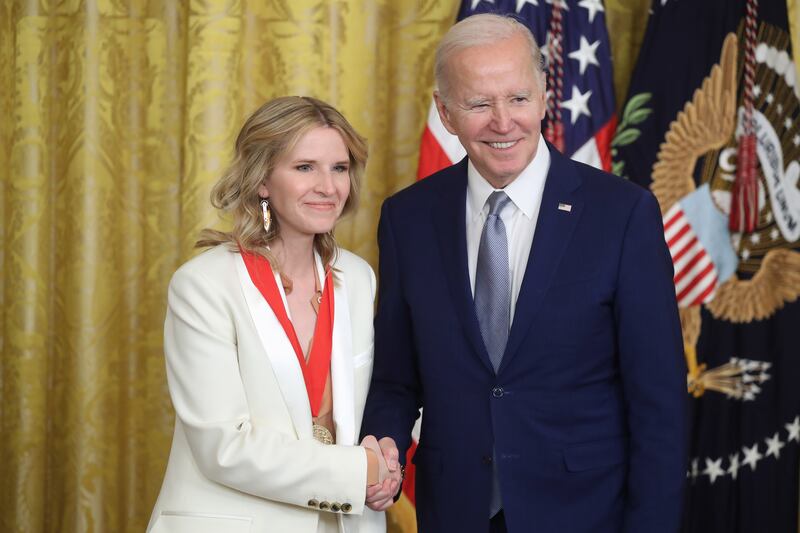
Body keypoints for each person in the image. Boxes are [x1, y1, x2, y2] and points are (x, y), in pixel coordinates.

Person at [361, 14, 687, 533]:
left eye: (516, 98)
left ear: (543, 98)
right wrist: (381, 455)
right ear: (445, 113)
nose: (502, 121)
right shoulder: (408, 219)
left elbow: (659, 403)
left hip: (586, 512)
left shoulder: (621, 215)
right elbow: (397, 379)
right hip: (455, 510)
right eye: (479, 103)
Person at [148, 96, 399, 533]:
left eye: (339, 168)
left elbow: (361, 412)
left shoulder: (358, 279)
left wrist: (386, 464)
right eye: (305, 167)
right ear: (262, 179)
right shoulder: (203, 286)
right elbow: (224, 445)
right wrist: (361, 472)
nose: (328, 186)